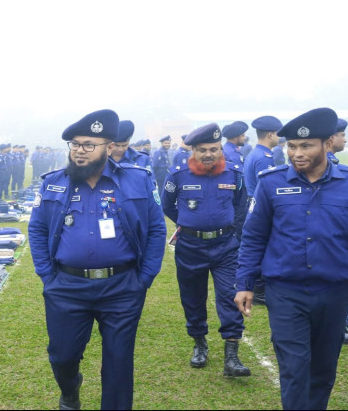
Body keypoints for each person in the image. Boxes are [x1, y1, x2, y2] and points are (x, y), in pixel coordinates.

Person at [235, 108, 348, 410]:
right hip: (286, 292)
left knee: (324, 371)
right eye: (292, 146)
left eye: (305, 146)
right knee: (295, 369)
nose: (296, 153)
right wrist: (244, 282)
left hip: (334, 292)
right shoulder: (271, 182)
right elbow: (253, 236)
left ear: (326, 144)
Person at [28, 109, 166, 410]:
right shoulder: (54, 182)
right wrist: (47, 275)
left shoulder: (137, 180)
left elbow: (156, 228)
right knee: (62, 355)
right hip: (66, 286)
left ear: (110, 147)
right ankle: (70, 389)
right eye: (75, 144)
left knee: (118, 362)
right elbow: (37, 228)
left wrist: (145, 277)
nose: (79, 150)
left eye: (89, 144)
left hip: (122, 287)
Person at [161, 123, 250, 377]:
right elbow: (168, 206)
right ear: (193, 151)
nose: (209, 154)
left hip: (225, 247)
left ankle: (232, 355)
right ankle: (199, 343)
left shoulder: (234, 172)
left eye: (214, 149)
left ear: (220, 149)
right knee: (193, 296)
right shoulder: (178, 174)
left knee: (230, 296)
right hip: (190, 246)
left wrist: (231, 229)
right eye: (203, 150)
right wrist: (190, 223)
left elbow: (240, 205)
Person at [242, 115, 282, 305]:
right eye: (277, 135)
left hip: (252, 201)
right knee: (264, 244)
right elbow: (266, 187)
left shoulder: (255, 153)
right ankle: (259, 289)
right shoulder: (264, 157)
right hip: (260, 204)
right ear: (270, 134)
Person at [222, 121, 249, 238]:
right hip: (234, 193)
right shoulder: (230, 152)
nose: (244, 138)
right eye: (242, 135)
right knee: (237, 220)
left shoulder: (235, 150)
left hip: (239, 192)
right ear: (235, 137)